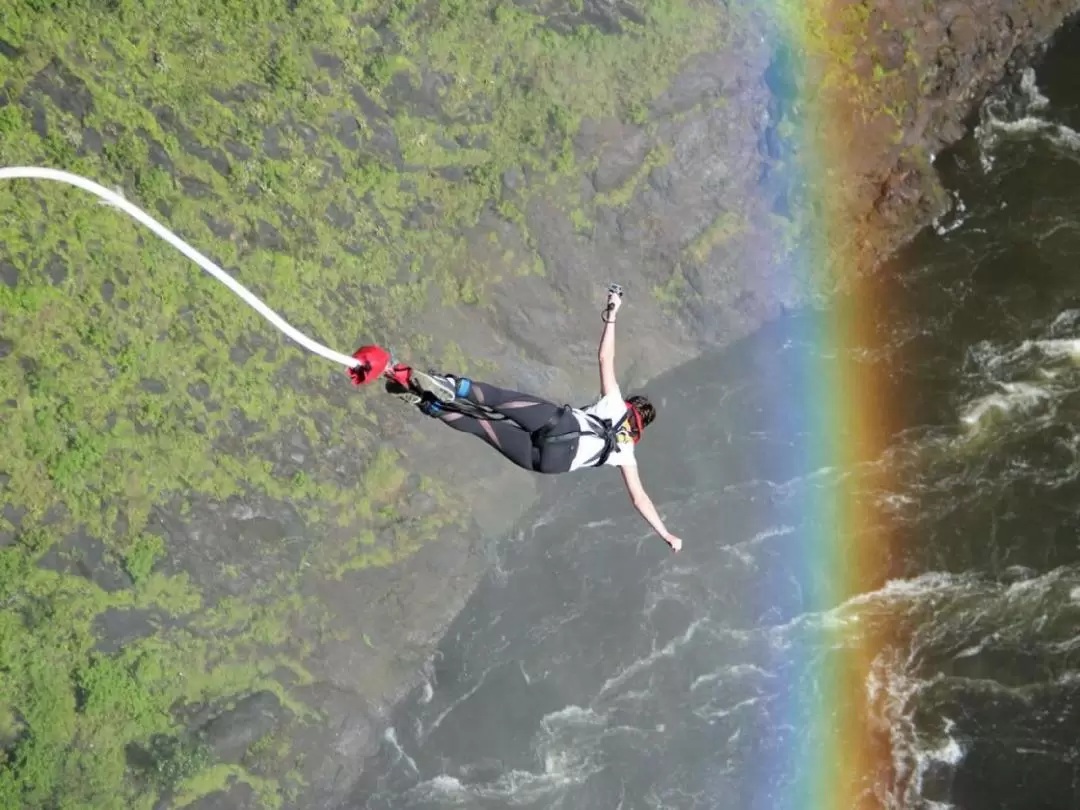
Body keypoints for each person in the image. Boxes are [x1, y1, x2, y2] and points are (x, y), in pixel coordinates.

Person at [388, 288, 683, 553]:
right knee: (483, 427)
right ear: (639, 431)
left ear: (632, 407)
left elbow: (605, 357)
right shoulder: (626, 454)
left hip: (562, 425)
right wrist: (667, 534)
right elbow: (640, 499)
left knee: (499, 401)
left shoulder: (616, 404)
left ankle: (453, 388)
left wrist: (612, 313)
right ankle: (430, 406)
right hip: (550, 463)